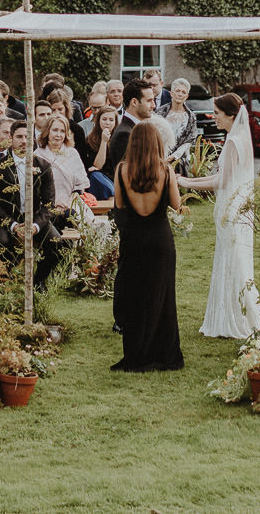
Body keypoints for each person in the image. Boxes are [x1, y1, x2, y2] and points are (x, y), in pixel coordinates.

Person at [172, 93, 260, 339]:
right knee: (232, 258)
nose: (214, 117)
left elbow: (221, 181)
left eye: (218, 113)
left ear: (231, 115)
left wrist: (186, 183)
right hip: (235, 206)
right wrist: (185, 180)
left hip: (233, 209)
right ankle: (231, 314)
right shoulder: (237, 137)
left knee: (235, 260)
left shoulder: (234, 141)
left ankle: (238, 318)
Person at [112, 119, 186, 372]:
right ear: (156, 144)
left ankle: (136, 353)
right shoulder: (165, 171)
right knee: (162, 296)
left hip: (133, 239)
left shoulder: (122, 169)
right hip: (159, 240)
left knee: (135, 296)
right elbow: (176, 206)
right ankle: (163, 353)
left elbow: (119, 206)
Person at [0, 119, 62, 288]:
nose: (24, 141)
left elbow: (49, 204)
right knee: (0, 243)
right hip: (6, 220)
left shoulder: (43, 166)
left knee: (56, 242)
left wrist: (34, 225)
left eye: (28, 137)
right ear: (10, 139)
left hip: (34, 219)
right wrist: (12, 225)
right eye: (19, 137)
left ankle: (38, 281)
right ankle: (6, 282)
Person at [37, 113, 91, 211]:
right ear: (47, 131)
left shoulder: (72, 153)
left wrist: (68, 203)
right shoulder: (37, 155)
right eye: (55, 130)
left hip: (71, 205)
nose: (58, 135)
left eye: (62, 131)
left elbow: (80, 186)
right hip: (46, 208)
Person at [158, 77, 199, 158]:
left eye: (183, 92)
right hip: (161, 157)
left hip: (181, 160)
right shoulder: (160, 112)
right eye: (177, 91)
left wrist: (175, 156)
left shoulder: (191, 116)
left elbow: (190, 139)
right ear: (171, 93)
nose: (180, 94)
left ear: (186, 96)